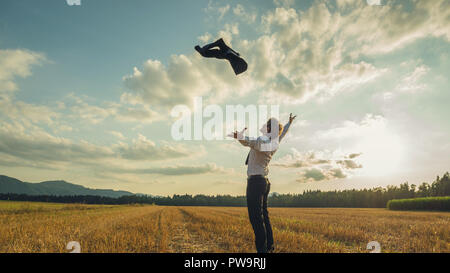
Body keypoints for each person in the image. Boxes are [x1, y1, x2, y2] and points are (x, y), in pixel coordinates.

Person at [231, 113, 296, 253]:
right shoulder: (275, 140)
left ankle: (262, 251)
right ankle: (269, 247)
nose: (265, 127)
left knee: (256, 219)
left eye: (268, 125)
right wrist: (289, 123)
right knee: (264, 217)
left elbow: (253, 142)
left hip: (255, 182)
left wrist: (241, 138)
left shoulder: (265, 142)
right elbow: (282, 132)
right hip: (263, 182)